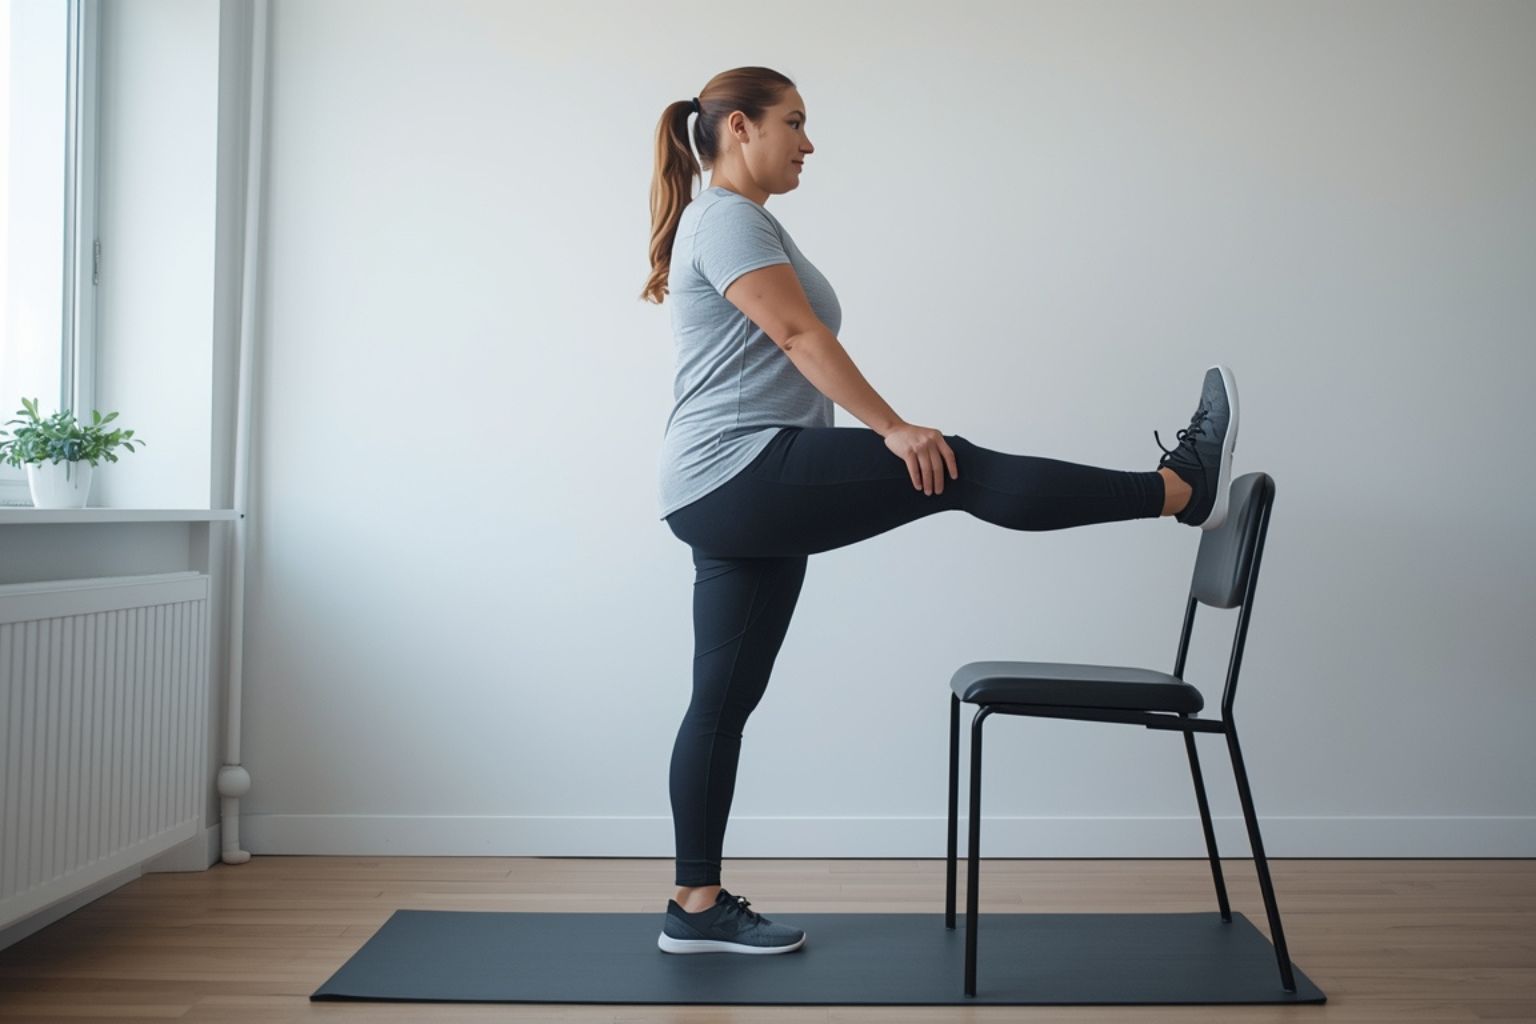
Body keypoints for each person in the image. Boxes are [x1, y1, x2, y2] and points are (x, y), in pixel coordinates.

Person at [639, 67, 1238, 955]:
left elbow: (798, 336)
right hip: (742, 470)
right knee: (950, 466)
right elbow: (801, 337)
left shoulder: (735, 219)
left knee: (721, 703)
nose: (809, 142)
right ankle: (1177, 490)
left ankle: (694, 907)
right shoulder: (727, 220)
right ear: (737, 128)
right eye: (794, 123)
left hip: (718, 488)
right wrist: (892, 428)